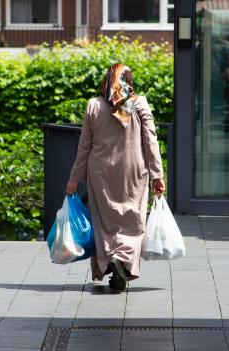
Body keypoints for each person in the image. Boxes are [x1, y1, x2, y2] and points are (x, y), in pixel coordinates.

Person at [66, 63, 165, 291]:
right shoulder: (139, 103)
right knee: (132, 218)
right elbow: (150, 141)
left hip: (100, 171)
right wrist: (157, 174)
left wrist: (74, 178)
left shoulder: (94, 105)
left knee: (103, 220)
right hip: (134, 172)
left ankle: (110, 259)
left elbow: (84, 146)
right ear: (129, 80)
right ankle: (124, 260)